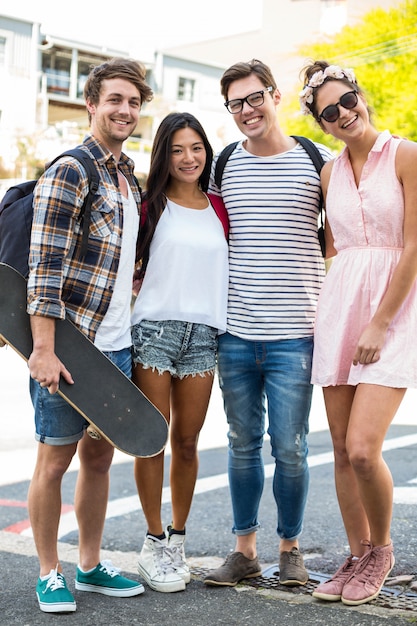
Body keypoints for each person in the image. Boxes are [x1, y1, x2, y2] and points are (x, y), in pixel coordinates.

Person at [26, 57, 153, 613]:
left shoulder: (128, 176)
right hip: (70, 344)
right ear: (91, 104)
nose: (124, 110)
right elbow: (44, 267)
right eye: (115, 100)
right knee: (55, 459)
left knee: (99, 461)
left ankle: (92, 564)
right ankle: (49, 571)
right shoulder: (71, 169)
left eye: (133, 102)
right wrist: (44, 348)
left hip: (117, 343)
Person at [203, 59, 332, 588]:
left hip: (296, 334)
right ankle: (244, 551)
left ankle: (291, 548)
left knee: (291, 447)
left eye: (254, 97)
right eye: (235, 103)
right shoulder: (224, 163)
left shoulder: (316, 159)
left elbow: (343, 234)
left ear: (275, 95)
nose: (246, 110)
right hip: (234, 332)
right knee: (240, 443)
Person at [298, 60, 417, 606]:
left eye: (347, 100)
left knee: (365, 449)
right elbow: (333, 250)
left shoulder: (407, 155)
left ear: (360, 95)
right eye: (329, 111)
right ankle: (355, 555)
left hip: (392, 313)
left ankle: (383, 550)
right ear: (321, 124)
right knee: (342, 452)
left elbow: (413, 247)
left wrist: (379, 321)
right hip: (340, 307)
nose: (343, 113)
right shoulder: (327, 173)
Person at [131, 112, 229, 593]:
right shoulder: (148, 204)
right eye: (177, 149)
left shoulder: (218, 206)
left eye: (196, 148)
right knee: (154, 439)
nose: (188, 158)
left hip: (205, 334)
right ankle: (152, 540)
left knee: (189, 444)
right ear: (163, 155)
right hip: (154, 330)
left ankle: (178, 540)